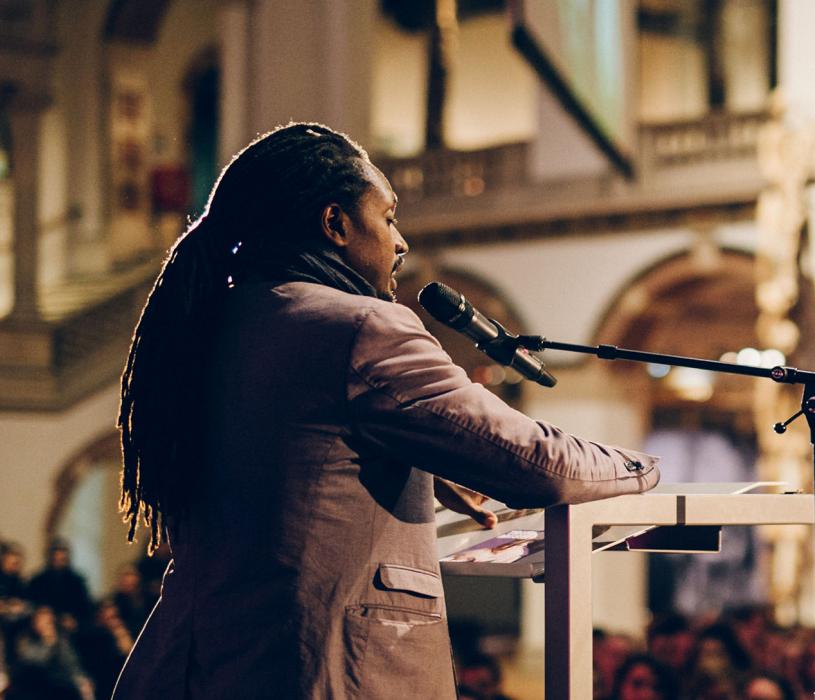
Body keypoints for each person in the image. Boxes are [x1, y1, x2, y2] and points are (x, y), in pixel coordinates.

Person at [108, 123, 659, 699]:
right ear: (335, 225)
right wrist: (641, 468)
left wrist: (410, 456)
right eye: (388, 217)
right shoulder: (362, 327)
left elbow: (288, 467)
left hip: (194, 670)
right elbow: (535, 462)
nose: (401, 243)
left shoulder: (209, 328)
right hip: (321, 670)